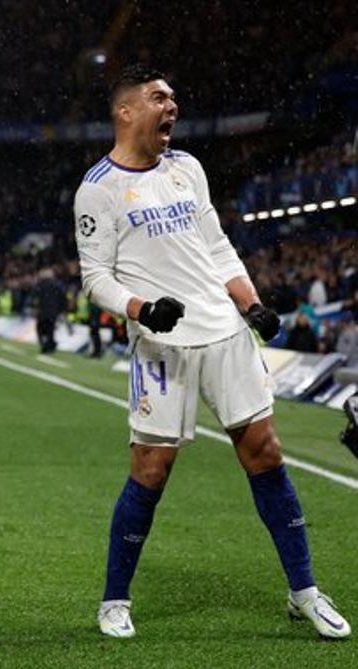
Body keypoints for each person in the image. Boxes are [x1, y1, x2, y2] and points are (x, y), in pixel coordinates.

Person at [75, 63, 349, 640]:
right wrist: (143, 310)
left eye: (174, 95)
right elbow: (96, 278)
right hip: (160, 344)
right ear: (126, 111)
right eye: (157, 97)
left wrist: (251, 305)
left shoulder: (186, 169)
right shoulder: (98, 189)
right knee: (151, 469)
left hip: (224, 333)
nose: (171, 104)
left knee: (266, 453)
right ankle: (115, 600)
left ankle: (305, 592)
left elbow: (218, 247)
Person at [34, 267, 67, 354]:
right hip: (53, 312)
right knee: (50, 329)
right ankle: (51, 345)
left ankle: (46, 345)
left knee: (41, 329)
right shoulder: (57, 285)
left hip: (43, 311)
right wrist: (61, 310)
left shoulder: (40, 285)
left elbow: (36, 298)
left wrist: (36, 308)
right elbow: (63, 298)